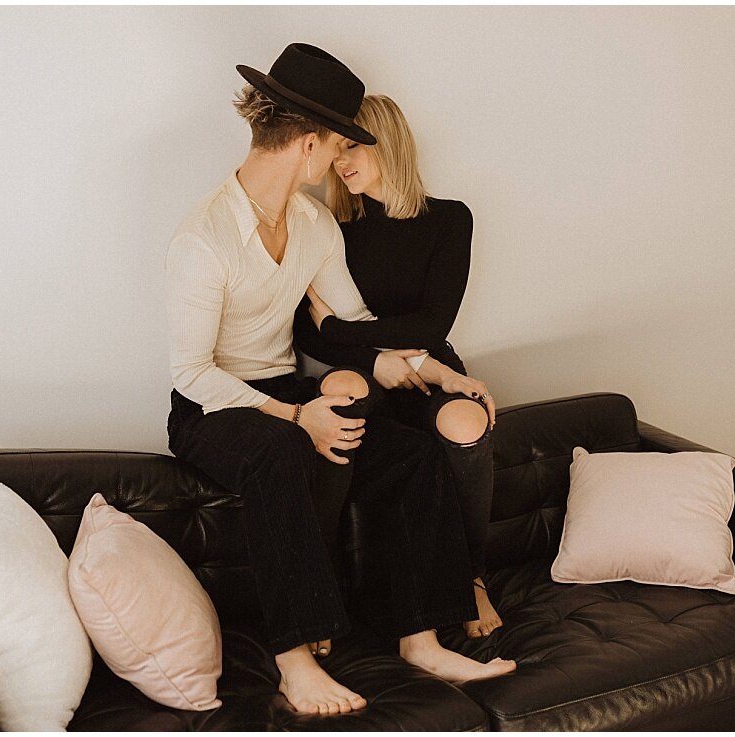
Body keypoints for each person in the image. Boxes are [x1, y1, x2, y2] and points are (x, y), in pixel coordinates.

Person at [165, 43, 512, 716]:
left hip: (288, 392)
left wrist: (434, 370)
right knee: (283, 449)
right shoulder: (202, 239)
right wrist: (297, 417)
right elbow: (192, 371)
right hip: (212, 406)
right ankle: (293, 659)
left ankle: (421, 636)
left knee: (410, 454)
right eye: (335, 146)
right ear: (309, 143)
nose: (338, 163)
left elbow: (352, 318)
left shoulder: (314, 224)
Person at [292, 94, 502, 638]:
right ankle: (322, 594)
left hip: (426, 362)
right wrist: (368, 357)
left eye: (352, 145)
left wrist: (342, 331)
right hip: (361, 373)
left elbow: (431, 325)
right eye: (336, 150)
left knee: (466, 422)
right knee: (349, 412)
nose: (340, 161)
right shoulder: (331, 226)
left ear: (388, 142)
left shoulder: (451, 220)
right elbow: (301, 329)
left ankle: (472, 579)